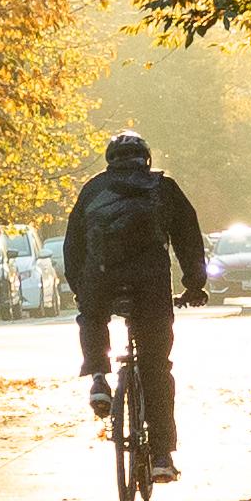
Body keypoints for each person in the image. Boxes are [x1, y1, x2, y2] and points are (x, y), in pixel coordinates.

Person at [62, 131, 211, 480]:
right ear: (146, 158)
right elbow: (188, 238)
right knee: (156, 367)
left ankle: (99, 377)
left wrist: (81, 289)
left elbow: (73, 245)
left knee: (92, 317)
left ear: (109, 160)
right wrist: (194, 286)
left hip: (101, 279)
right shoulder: (163, 188)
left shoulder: (93, 190)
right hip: (150, 284)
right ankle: (160, 456)